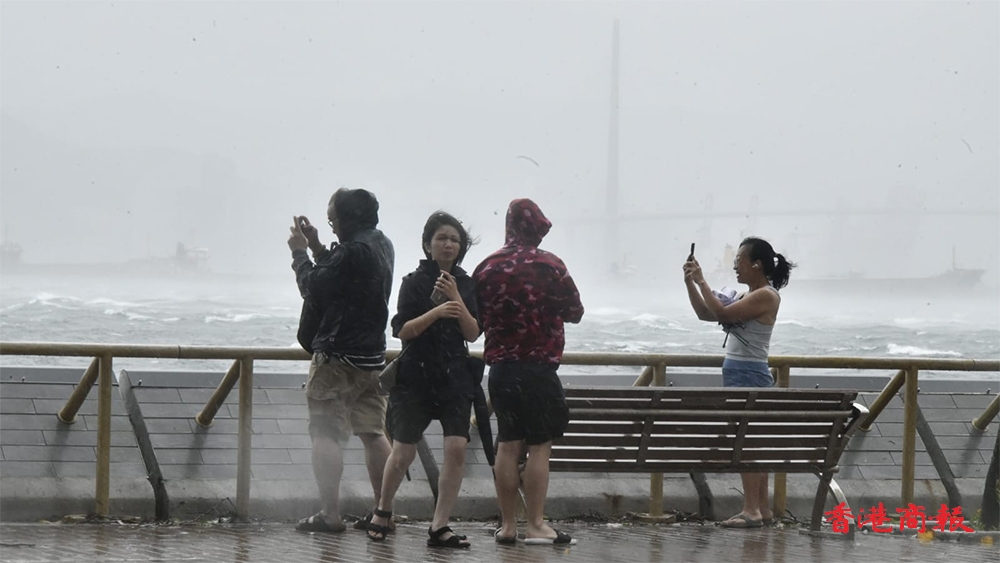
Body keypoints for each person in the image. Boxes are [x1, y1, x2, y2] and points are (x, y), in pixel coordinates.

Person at [366, 211, 481, 548]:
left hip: (455, 376)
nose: (448, 244)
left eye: (455, 240)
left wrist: (457, 298)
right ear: (428, 244)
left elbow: (473, 334)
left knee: (456, 447)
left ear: (461, 247)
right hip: (416, 375)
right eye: (442, 238)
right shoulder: (414, 281)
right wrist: (436, 311)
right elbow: (402, 330)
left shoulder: (467, 283)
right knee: (402, 451)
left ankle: (440, 525)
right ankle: (383, 510)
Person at [473, 198, 584, 545]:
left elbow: (476, 319)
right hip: (539, 370)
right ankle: (536, 524)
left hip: (502, 371)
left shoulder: (486, 267)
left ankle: (508, 526)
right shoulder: (551, 266)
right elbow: (575, 311)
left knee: (507, 444)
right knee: (539, 446)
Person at [287, 188, 395, 533]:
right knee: (373, 432)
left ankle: (330, 514)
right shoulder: (381, 244)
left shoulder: (351, 252)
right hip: (372, 357)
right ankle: (383, 513)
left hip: (337, 357)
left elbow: (314, 287)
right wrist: (319, 247)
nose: (331, 225)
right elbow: (343, 278)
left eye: (333, 218)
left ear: (348, 218)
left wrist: (300, 253)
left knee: (325, 432)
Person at [682, 236, 794, 529]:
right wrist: (691, 284)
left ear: (756, 264)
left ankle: (751, 510)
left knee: (747, 443)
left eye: (739, 260)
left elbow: (721, 313)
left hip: (748, 373)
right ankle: (762, 509)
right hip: (741, 371)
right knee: (753, 442)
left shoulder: (766, 295)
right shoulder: (748, 295)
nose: (734, 266)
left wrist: (703, 280)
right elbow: (705, 314)